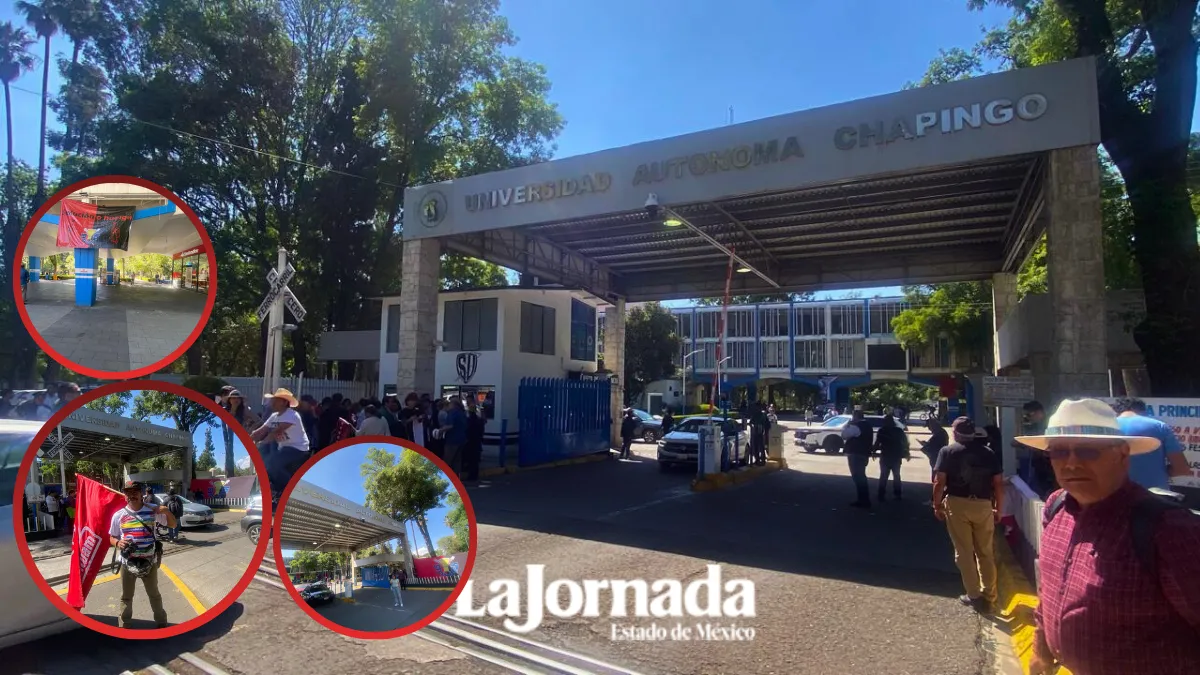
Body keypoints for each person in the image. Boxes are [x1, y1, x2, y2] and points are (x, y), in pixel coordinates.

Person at [1016, 399, 1200, 675]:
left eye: (1088, 452)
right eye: (1059, 452)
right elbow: (1050, 589)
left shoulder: (1167, 528)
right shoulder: (1056, 507)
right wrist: (1041, 648)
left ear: (1122, 455)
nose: (1072, 463)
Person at [932, 417, 1003, 613]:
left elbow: (939, 482)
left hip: (957, 503)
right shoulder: (988, 453)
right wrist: (999, 508)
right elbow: (998, 484)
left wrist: (936, 505)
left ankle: (974, 595)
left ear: (955, 433)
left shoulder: (947, 452)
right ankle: (990, 595)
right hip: (983, 505)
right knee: (985, 552)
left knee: (963, 551)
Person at [109, 480, 176, 629]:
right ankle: (124, 626)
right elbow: (111, 537)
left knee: (154, 595)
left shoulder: (152, 510)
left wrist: (166, 511)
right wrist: (117, 543)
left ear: (141, 494)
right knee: (126, 597)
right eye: (128, 492)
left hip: (149, 562)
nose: (132, 495)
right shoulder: (118, 515)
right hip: (128, 563)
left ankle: (161, 623)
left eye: (135, 492)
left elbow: (173, 525)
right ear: (125, 495)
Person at [1111, 397, 1191, 490]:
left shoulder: (1105, 428)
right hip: (1154, 495)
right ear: (1142, 411)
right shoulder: (1160, 427)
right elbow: (1181, 468)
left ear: (1116, 412)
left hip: (1113, 495)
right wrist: (1158, 473)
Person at [252, 388, 311, 505]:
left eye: (275, 400)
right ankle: (273, 487)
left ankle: (289, 491)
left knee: (272, 462)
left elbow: (275, 433)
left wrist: (260, 443)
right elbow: (261, 430)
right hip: (283, 447)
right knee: (265, 459)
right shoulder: (274, 416)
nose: (272, 402)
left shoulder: (292, 415)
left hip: (298, 449)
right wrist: (248, 439)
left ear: (284, 402)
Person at [842, 408, 875, 508]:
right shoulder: (867, 425)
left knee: (858, 477)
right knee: (861, 477)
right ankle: (863, 499)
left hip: (855, 454)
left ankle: (863, 500)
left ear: (855, 416)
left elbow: (844, 435)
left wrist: (847, 424)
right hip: (864, 453)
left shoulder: (856, 426)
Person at [874, 414, 909, 501]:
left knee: (883, 476)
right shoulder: (898, 431)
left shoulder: (882, 430)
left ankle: (881, 495)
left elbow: (877, 443)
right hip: (896, 455)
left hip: (885, 455)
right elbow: (905, 442)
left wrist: (873, 451)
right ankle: (897, 494)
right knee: (896, 476)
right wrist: (906, 452)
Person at [440, 398, 468, 475]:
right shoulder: (462, 413)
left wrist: (440, 430)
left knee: (447, 460)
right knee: (457, 460)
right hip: (461, 439)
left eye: (449, 403)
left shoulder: (452, 413)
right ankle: (456, 477)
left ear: (453, 405)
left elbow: (450, 425)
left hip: (452, 440)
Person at [464, 399, 486, 481]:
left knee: (471, 459)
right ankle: (474, 475)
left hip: (470, 441)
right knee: (475, 460)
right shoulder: (479, 420)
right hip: (477, 441)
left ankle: (471, 476)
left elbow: (467, 430)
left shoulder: (469, 420)